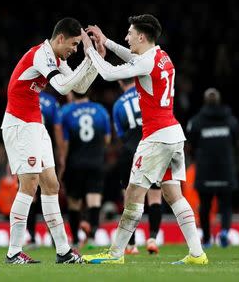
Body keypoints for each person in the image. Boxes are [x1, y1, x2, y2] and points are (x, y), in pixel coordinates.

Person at [81, 14, 208, 265]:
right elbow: (134, 59)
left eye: (129, 34)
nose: (126, 38)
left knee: (133, 193)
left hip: (156, 138)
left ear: (141, 36)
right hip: (174, 134)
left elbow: (108, 74)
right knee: (173, 195)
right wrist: (107, 41)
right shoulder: (162, 56)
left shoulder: (146, 62)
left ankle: (115, 254)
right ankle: (197, 253)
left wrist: (90, 50)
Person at [1, 17, 105, 264]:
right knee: (29, 184)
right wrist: (89, 57)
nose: (75, 49)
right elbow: (60, 85)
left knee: (51, 184)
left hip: (35, 124)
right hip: (19, 124)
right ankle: (13, 252)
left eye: (79, 45)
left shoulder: (57, 58)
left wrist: (95, 60)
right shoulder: (41, 55)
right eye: (75, 44)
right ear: (60, 38)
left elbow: (78, 87)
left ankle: (63, 251)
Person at [113, 77, 162, 255]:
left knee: (130, 196)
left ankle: (131, 244)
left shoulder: (118, 104)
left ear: (120, 82)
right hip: (152, 146)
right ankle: (153, 239)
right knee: (155, 196)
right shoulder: (148, 93)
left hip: (130, 150)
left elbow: (120, 135)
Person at [186, 88, 239, 248]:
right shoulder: (230, 120)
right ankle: (224, 231)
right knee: (226, 204)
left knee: (205, 205)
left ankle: (207, 239)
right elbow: (235, 139)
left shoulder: (196, 121)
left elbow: (191, 142)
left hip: (205, 168)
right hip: (225, 167)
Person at [60, 90, 111, 248]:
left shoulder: (66, 111)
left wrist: (62, 162)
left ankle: (75, 239)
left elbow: (64, 142)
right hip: (95, 162)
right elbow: (107, 139)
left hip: (74, 163)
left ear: (72, 93)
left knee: (74, 202)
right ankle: (91, 237)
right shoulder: (100, 110)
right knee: (94, 200)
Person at [26, 91, 63, 248]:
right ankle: (55, 237)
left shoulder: (24, 96)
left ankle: (32, 238)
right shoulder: (51, 101)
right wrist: (61, 153)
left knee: (30, 193)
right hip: (46, 149)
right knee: (50, 190)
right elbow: (57, 128)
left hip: (27, 149)